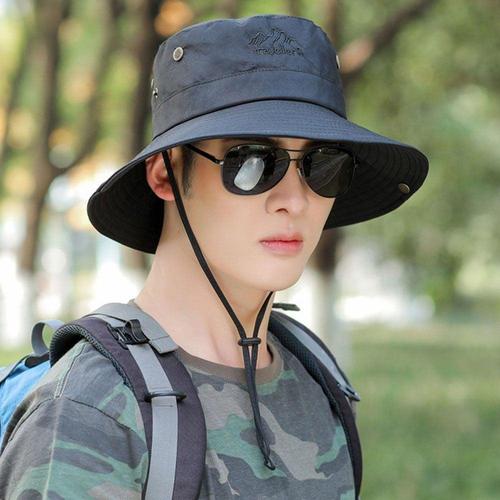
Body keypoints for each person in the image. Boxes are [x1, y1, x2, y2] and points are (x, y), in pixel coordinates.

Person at [0, 13, 428, 499]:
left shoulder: (318, 377)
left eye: (322, 165)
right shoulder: (91, 409)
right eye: (252, 161)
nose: (294, 200)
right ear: (164, 174)